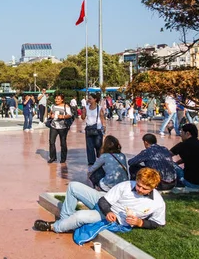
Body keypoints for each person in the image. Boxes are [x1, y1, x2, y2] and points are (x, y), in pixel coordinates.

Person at [34, 168, 166, 233]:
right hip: (106, 208)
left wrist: (140, 222)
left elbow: (158, 223)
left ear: (152, 188)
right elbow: (104, 201)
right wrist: (108, 211)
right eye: (138, 185)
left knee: (80, 215)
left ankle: (54, 227)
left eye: (144, 188)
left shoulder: (158, 203)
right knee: (74, 186)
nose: (139, 189)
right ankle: (65, 221)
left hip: (116, 220)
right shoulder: (126, 186)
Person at [170, 123, 199, 188]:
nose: (180, 135)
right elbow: (193, 157)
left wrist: (174, 164)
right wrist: (178, 162)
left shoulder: (182, 145)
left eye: (181, 132)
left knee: (170, 163)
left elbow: (165, 155)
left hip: (192, 182)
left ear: (187, 133)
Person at [47, 93, 73, 164]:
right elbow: (50, 113)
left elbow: (70, 115)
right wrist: (51, 115)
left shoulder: (66, 106)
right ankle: (53, 157)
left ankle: (63, 158)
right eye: (55, 98)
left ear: (62, 99)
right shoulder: (53, 106)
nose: (56, 100)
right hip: (53, 126)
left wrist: (63, 116)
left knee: (63, 143)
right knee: (51, 142)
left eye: (58, 99)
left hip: (63, 127)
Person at [81, 93, 106, 166]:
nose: (89, 100)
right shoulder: (86, 107)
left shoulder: (99, 108)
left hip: (98, 129)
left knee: (98, 144)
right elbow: (83, 118)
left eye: (90, 98)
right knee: (90, 146)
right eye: (88, 99)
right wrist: (83, 112)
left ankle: (100, 158)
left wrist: (104, 126)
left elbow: (102, 118)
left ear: (95, 99)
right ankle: (91, 161)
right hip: (89, 128)